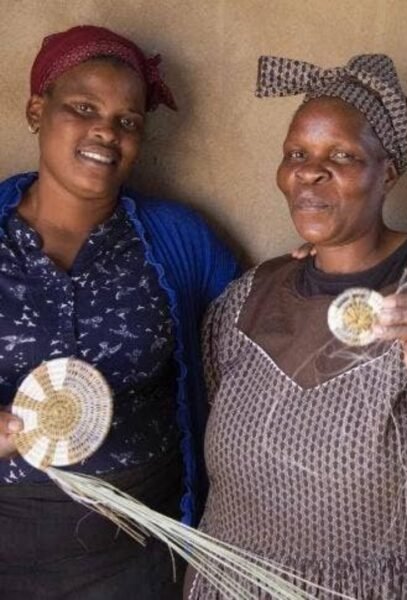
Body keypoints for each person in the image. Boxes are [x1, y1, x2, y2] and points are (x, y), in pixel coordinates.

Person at [184, 54, 407, 599]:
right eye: (297, 154)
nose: (310, 172)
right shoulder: (247, 297)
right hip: (238, 583)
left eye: (341, 155)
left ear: (386, 173)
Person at [0, 25, 238, 599]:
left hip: (141, 548)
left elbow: (256, 331)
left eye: (128, 121)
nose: (107, 131)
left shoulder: (179, 240)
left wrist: (322, 263)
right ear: (37, 110)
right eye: (84, 108)